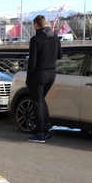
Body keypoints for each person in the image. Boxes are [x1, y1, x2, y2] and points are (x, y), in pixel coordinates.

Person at [26, 14, 63, 143]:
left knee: (36, 102)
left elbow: (33, 60)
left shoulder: (35, 39)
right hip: (52, 73)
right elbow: (60, 55)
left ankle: (40, 133)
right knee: (41, 100)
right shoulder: (55, 38)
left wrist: (29, 76)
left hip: (39, 74)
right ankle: (48, 126)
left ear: (36, 24)